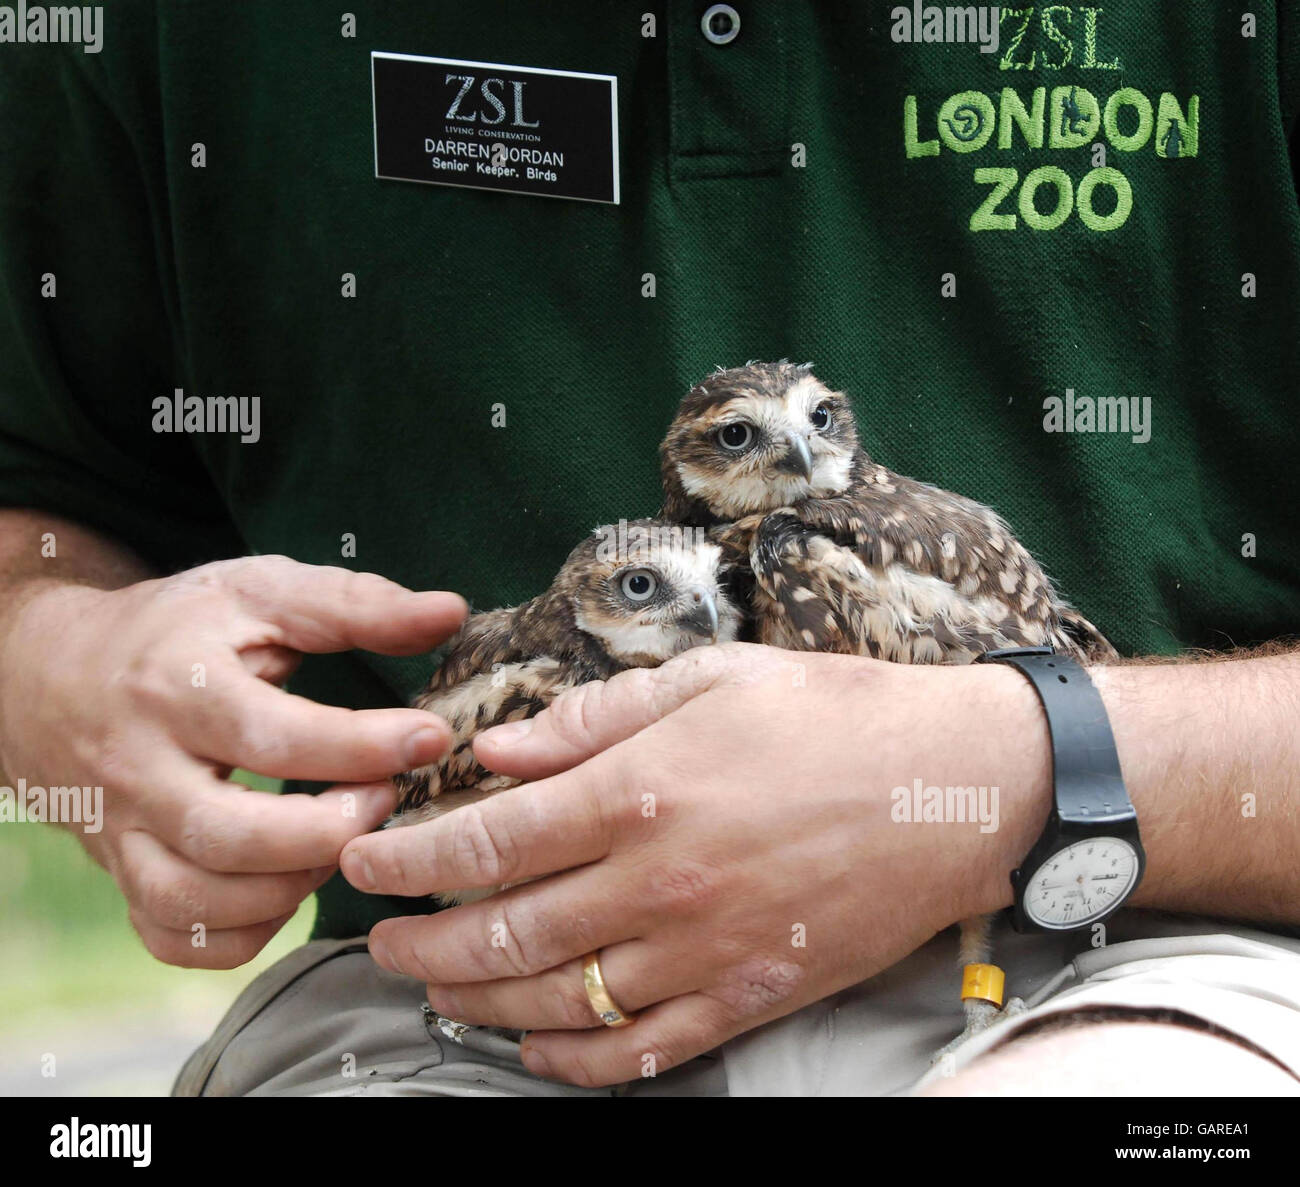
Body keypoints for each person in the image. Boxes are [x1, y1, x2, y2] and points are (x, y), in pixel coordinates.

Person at [1, 2, 1298, 1096]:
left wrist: (1031, 768)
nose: (787, 466)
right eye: (744, 443)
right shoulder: (157, 39)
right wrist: (52, 660)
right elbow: (37, 499)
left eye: (813, 434)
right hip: (470, 1006)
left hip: (1134, 959)